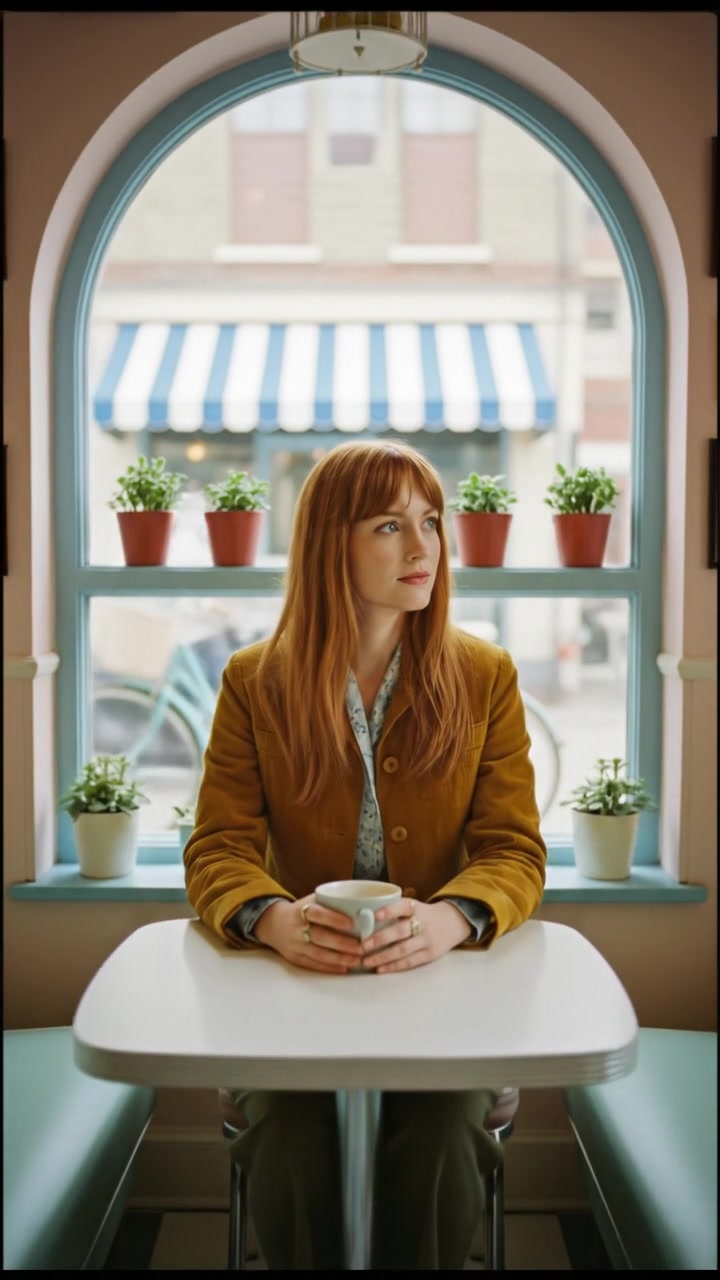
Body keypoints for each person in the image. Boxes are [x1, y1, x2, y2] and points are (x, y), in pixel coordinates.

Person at [184, 439, 546, 1270]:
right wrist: (272, 920)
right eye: (390, 525)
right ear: (328, 545)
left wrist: (451, 920)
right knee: (285, 1122)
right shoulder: (254, 680)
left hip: (445, 997)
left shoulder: (485, 676)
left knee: (447, 1123)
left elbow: (513, 850)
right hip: (295, 995)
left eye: (431, 522)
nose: (423, 548)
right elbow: (218, 847)